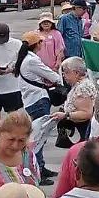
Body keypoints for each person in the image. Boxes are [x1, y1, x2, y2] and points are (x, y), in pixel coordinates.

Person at [15, 30, 63, 177]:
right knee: (39, 137)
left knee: (38, 136)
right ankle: (38, 170)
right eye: (41, 42)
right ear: (36, 44)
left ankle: (41, 166)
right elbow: (51, 75)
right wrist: (60, 81)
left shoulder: (24, 58)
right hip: (38, 100)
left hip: (31, 100)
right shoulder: (32, 60)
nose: (43, 44)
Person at [52, 56, 96, 145]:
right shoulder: (79, 84)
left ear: (76, 73)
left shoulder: (83, 88)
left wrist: (65, 115)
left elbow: (86, 113)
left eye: (66, 72)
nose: (63, 75)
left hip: (84, 129)